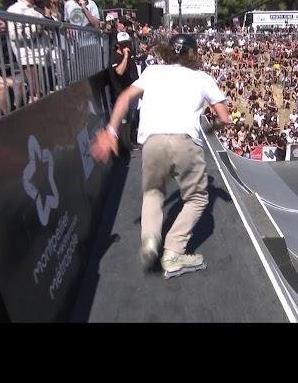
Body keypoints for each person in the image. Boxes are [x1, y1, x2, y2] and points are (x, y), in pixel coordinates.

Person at [90, 34, 231, 279]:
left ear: (169, 52)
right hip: (184, 141)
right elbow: (224, 117)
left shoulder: (152, 72)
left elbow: (124, 98)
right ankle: (174, 252)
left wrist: (111, 131)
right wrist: (211, 129)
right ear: (193, 54)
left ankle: (150, 240)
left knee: (153, 192)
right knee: (197, 198)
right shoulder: (202, 78)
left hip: (152, 141)